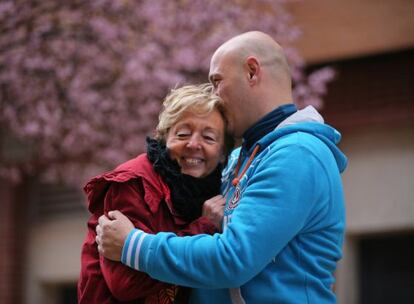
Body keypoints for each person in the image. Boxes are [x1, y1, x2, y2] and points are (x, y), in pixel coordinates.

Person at [96, 31, 348, 303]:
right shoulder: (242, 156)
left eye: (217, 82)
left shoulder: (297, 153)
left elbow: (234, 259)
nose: (214, 96)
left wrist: (133, 245)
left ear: (252, 72)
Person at [78, 83, 233, 303]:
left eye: (209, 138)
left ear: (222, 151)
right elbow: (127, 284)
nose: (194, 144)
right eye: (182, 134)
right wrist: (204, 226)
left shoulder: (218, 190)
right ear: (163, 136)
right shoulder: (132, 184)